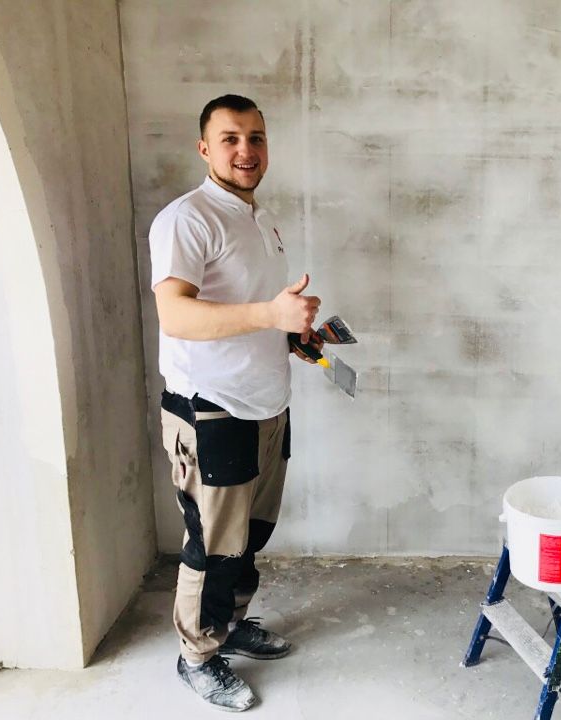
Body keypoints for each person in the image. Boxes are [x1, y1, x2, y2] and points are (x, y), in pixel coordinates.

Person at [149, 94, 323, 712]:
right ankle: (197, 656)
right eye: (230, 138)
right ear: (205, 148)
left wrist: (292, 333)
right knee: (214, 544)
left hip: (266, 404)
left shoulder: (259, 217)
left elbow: (251, 309)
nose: (246, 150)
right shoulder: (187, 218)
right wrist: (271, 314)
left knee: (250, 535)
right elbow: (175, 314)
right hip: (212, 409)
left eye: (256, 138)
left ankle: (228, 625)